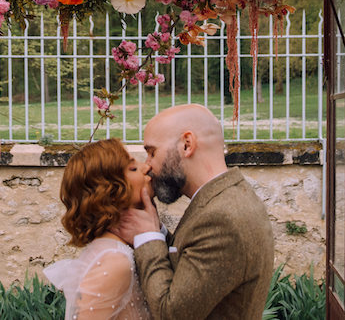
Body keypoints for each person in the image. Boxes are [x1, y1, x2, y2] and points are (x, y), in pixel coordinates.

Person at [111, 104, 274, 320]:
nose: (147, 165)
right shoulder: (225, 196)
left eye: (152, 152)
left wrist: (147, 239)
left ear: (187, 145)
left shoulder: (221, 218)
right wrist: (155, 230)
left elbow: (171, 313)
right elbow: (188, 263)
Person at [44, 138, 153, 319]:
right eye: (133, 168)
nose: (146, 168)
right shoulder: (115, 261)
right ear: (111, 193)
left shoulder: (119, 248)